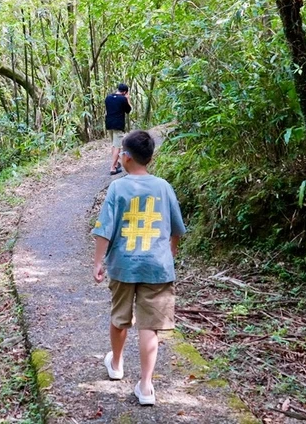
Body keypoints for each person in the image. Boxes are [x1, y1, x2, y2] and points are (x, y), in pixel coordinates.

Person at [91, 130, 186, 406]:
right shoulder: (163, 187)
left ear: (127, 158)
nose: (119, 155)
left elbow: (104, 230)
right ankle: (146, 386)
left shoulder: (118, 188)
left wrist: (98, 262)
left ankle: (117, 364)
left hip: (123, 264)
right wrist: (172, 250)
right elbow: (176, 227)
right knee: (150, 326)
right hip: (157, 267)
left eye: (121, 152)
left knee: (120, 317)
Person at [104, 83, 132, 175]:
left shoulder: (108, 98)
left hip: (108, 123)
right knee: (118, 146)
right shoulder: (123, 99)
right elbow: (128, 110)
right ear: (125, 92)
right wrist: (128, 99)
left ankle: (116, 164)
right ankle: (112, 168)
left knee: (113, 145)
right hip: (118, 125)